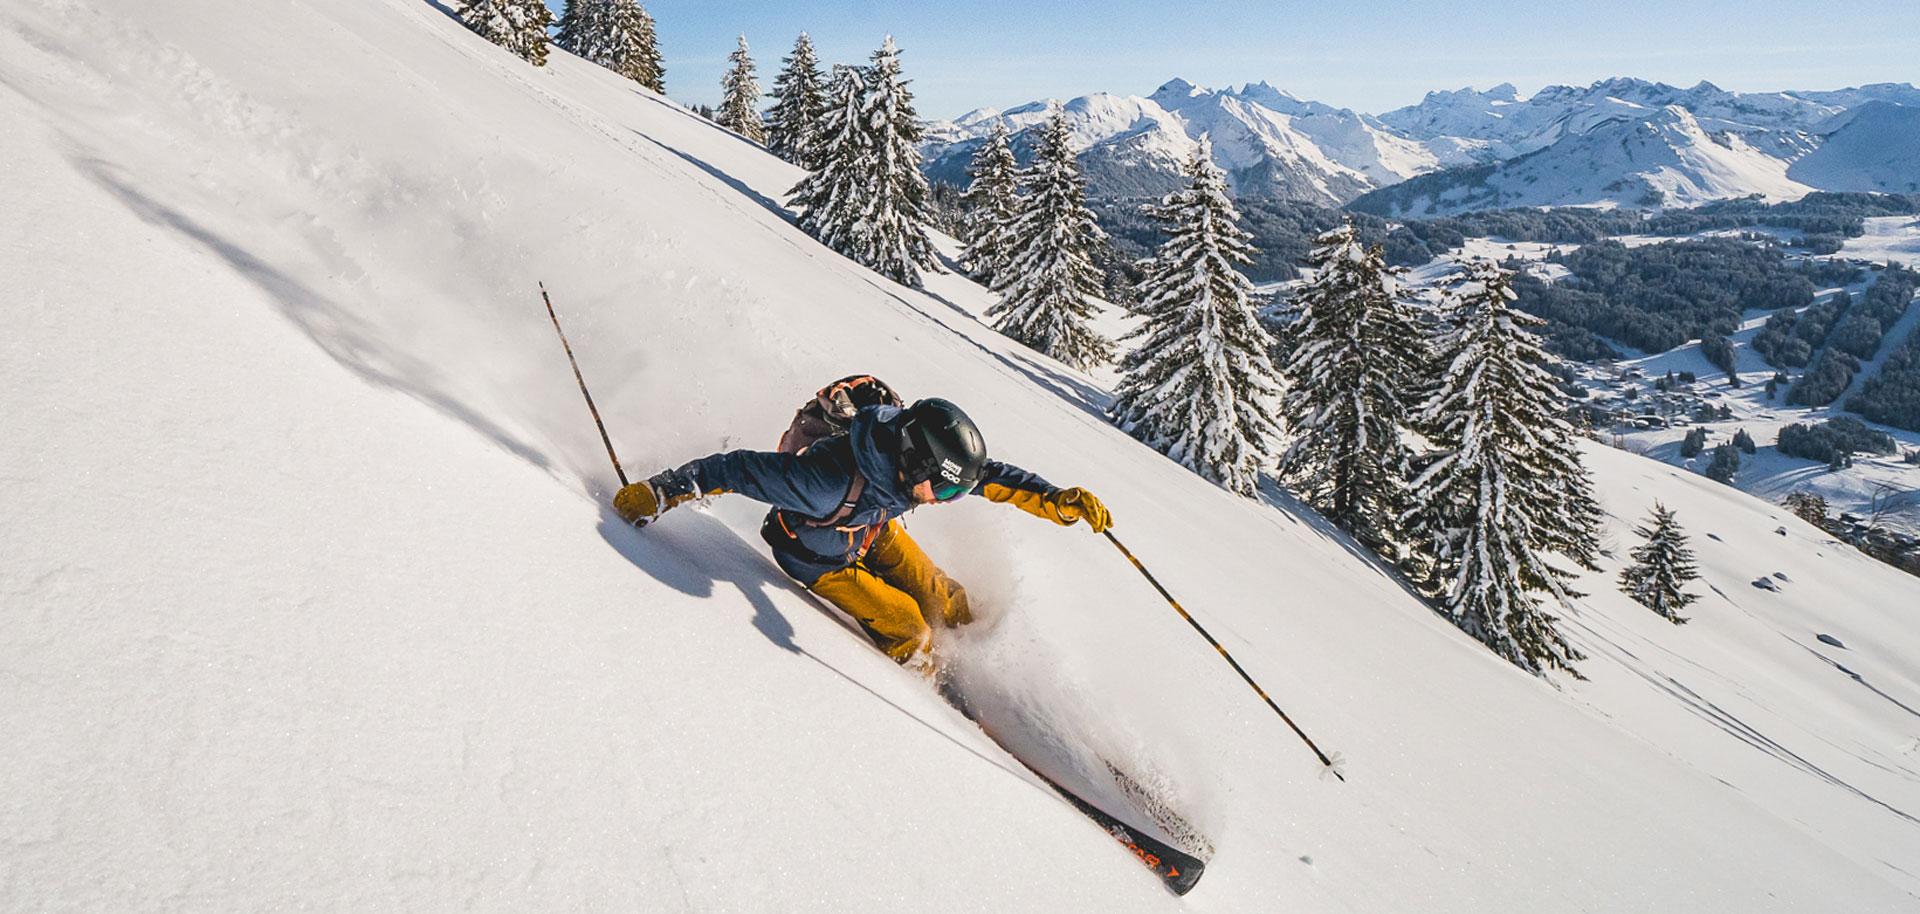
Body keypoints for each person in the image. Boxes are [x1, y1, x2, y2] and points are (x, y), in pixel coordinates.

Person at [614, 396, 1111, 665]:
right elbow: (736, 469)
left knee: (948, 601)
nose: (947, 499)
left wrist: (1055, 500)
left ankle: (974, 657)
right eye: (945, 490)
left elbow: (988, 477)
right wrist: (659, 492)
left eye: (954, 493)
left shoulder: (907, 465)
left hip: (868, 529)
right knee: (911, 626)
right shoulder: (823, 483)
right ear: (917, 465)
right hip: (820, 556)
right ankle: (925, 676)